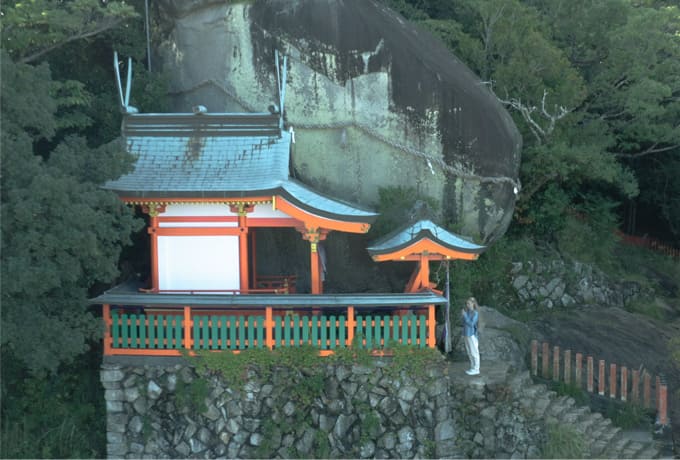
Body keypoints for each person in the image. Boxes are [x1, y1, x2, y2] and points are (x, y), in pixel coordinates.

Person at [461, 297, 480, 375]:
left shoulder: (475, 313)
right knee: (469, 352)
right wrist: (464, 315)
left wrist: (465, 316)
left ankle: (476, 369)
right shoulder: (467, 312)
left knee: (474, 352)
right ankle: (472, 367)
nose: (467, 305)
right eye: (467, 303)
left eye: (469, 303)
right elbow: (464, 323)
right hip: (466, 334)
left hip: (472, 335)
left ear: (473, 304)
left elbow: (471, 324)